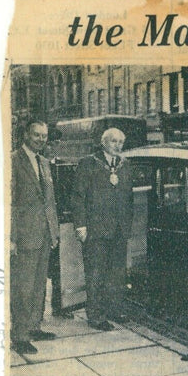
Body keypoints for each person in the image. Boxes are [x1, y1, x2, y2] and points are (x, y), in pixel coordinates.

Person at [71, 127, 134, 331]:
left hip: (118, 230)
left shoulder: (125, 165)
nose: (118, 145)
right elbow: (78, 197)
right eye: (114, 141)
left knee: (117, 274)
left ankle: (115, 309)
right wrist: (80, 225)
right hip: (96, 230)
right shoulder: (89, 163)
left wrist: (127, 226)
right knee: (96, 274)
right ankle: (96, 316)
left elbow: (128, 199)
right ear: (103, 142)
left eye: (121, 142)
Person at [10, 121, 60, 354]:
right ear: (26, 135)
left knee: (40, 284)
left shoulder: (44, 163)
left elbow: (49, 201)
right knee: (23, 286)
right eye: (36, 135)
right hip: (24, 236)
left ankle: (34, 326)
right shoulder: (13, 161)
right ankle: (19, 335)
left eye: (44, 136)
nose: (41, 139)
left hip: (44, 234)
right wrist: (10, 237)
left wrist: (54, 231)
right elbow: (8, 202)